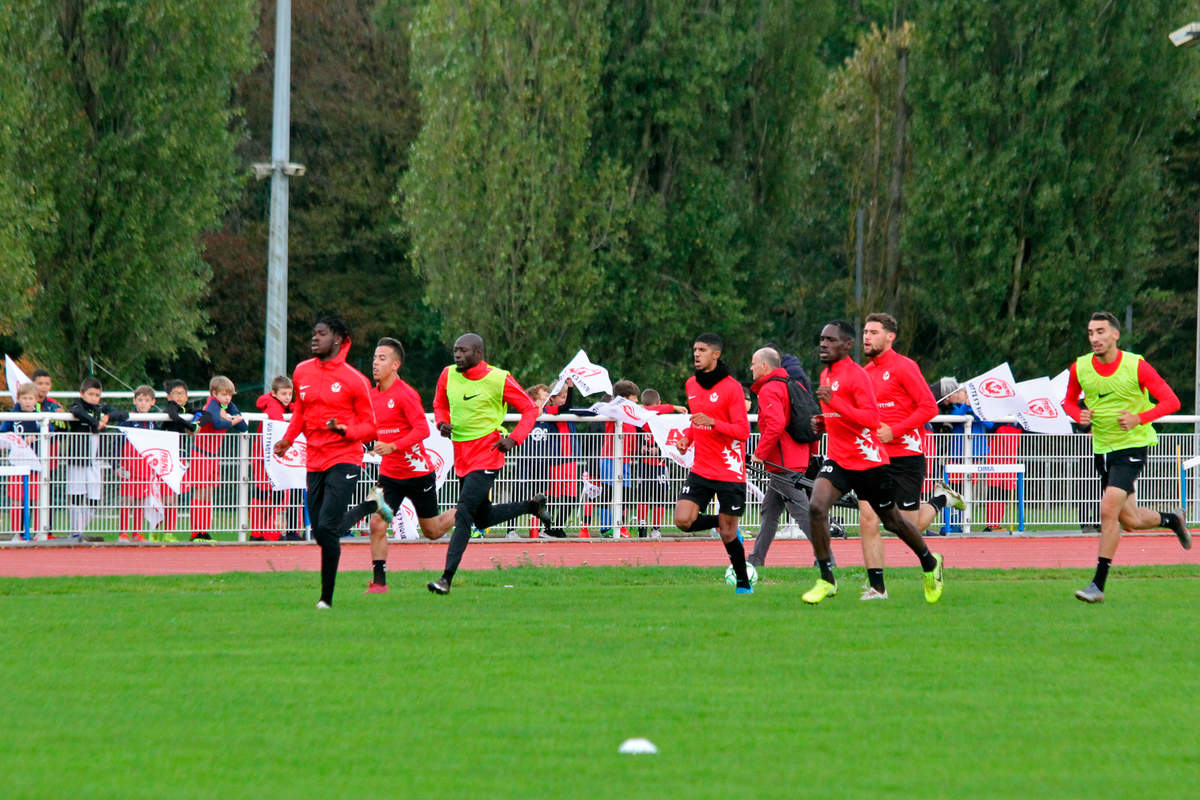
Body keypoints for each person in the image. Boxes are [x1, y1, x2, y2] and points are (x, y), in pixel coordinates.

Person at [806, 321, 945, 605]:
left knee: (897, 522)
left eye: (830, 339)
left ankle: (930, 562)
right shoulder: (828, 374)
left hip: (880, 459)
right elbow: (841, 418)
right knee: (819, 507)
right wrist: (823, 423)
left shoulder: (868, 374)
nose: (823, 344)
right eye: (821, 339)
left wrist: (839, 406)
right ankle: (832, 580)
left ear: (846, 345)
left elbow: (872, 418)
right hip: (842, 459)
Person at [1062, 311, 1189, 603]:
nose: (1095, 338)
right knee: (1129, 520)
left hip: (1132, 447)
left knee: (1108, 510)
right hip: (1102, 448)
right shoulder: (1080, 367)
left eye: (1101, 332)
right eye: (1091, 333)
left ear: (1115, 335)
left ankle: (1097, 585)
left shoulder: (1136, 366)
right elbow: (1069, 401)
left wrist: (1139, 418)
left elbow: (1172, 401)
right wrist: (1077, 414)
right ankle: (1172, 519)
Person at [426, 333, 553, 595]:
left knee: (464, 513)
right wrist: (441, 422)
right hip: (461, 455)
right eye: (455, 350)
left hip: (488, 453)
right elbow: (439, 403)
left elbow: (531, 410)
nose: (458, 355)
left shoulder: (498, 378)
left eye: (463, 351)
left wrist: (515, 439)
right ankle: (532, 506)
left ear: (479, 354)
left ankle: (445, 579)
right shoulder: (447, 374)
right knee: (481, 517)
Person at [857, 313, 964, 599]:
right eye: (865, 331)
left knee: (907, 525)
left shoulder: (905, 367)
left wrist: (895, 430)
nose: (866, 336)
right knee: (868, 517)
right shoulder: (865, 373)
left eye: (874, 332)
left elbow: (929, 408)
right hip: (875, 457)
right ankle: (877, 588)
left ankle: (941, 498)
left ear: (890, 337)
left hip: (906, 456)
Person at [274, 316, 378, 609]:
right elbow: (301, 413)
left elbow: (371, 427)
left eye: (321, 334)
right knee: (320, 530)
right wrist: (289, 439)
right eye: (314, 334)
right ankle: (368, 507)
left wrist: (346, 430)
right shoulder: (301, 371)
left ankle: (325, 599)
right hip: (315, 460)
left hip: (345, 458)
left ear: (337, 339)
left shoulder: (355, 380)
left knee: (328, 526)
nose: (314, 338)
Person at [337, 337, 456, 592]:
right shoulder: (370, 396)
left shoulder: (405, 394)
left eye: (382, 359)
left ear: (395, 365)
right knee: (377, 523)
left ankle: (465, 509)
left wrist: (394, 446)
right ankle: (379, 583)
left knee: (432, 531)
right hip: (390, 476)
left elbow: (423, 429)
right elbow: (370, 428)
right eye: (374, 359)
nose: (375, 364)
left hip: (418, 474)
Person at [673, 333, 754, 593]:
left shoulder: (731, 388)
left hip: (729, 471)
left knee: (729, 534)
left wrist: (714, 422)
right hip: (702, 468)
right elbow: (697, 421)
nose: (696, 354)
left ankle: (743, 583)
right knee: (683, 520)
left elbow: (742, 432)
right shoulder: (691, 385)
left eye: (702, 350)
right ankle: (720, 520)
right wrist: (688, 438)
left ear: (715, 355)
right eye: (695, 349)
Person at [747, 347, 813, 567]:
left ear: (765, 366)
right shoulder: (790, 385)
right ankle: (756, 559)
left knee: (802, 513)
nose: (751, 367)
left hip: (783, 462)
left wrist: (759, 453)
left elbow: (775, 425)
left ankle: (827, 558)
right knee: (770, 511)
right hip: (793, 458)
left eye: (753, 363)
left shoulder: (769, 389)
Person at [188, 375, 248, 540]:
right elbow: (217, 423)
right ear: (214, 393)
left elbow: (244, 426)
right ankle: (196, 532)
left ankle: (204, 531)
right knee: (200, 493)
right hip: (201, 454)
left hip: (213, 456)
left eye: (230, 395)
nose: (227, 398)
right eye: (223, 394)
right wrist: (232, 420)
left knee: (208, 494)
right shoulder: (212, 405)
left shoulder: (227, 405)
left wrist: (232, 416)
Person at [67, 378, 128, 534]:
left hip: (96, 459)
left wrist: (107, 417)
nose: (94, 398)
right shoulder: (77, 404)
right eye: (90, 394)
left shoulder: (101, 407)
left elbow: (122, 414)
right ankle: (76, 531)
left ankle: (81, 528)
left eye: (97, 395)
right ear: (82, 394)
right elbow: (77, 412)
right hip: (78, 457)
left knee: (94, 497)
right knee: (76, 495)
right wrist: (95, 422)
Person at [251, 376, 294, 541]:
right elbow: (280, 424)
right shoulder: (273, 407)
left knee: (275, 493)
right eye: (284, 393)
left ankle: (264, 531)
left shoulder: (283, 406)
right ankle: (257, 533)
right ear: (275, 393)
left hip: (273, 454)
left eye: (290, 393)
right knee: (263, 492)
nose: (287, 397)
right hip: (263, 454)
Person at [635, 388, 683, 538]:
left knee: (658, 497)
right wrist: (639, 448)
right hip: (645, 464)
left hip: (660, 465)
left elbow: (668, 443)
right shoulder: (640, 416)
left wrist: (659, 451)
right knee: (646, 497)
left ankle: (655, 529)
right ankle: (643, 529)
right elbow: (634, 440)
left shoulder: (662, 420)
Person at [116, 385, 158, 541]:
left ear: (152, 402)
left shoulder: (153, 422)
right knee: (127, 499)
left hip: (145, 467)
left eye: (146, 400)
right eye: (140, 400)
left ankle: (137, 533)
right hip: (128, 466)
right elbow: (117, 443)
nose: (143, 403)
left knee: (140, 501)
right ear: (134, 401)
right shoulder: (128, 419)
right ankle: (123, 533)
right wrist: (116, 465)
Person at [1, 383, 43, 533]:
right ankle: (16, 532)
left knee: (38, 499)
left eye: (31, 398)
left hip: (36, 466)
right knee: (17, 499)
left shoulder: (39, 417)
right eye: (24, 398)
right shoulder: (13, 416)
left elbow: (49, 430)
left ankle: (39, 531)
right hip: (17, 466)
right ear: (18, 399)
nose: (27, 401)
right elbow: (3, 431)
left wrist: (37, 436)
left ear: (36, 400)